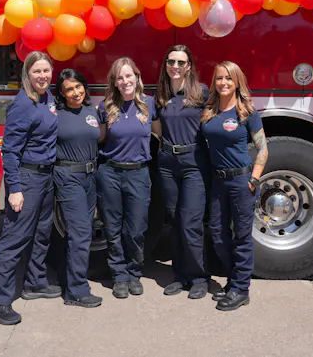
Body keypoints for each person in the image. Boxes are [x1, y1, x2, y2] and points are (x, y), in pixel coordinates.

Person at [0, 51, 60, 326]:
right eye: (37, 72)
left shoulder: (47, 97)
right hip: (27, 179)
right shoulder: (22, 105)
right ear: (27, 74)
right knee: (14, 239)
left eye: (46, 70)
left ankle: (35, 283)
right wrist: (14, 188)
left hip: (45, 178)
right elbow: (10, 150)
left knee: (41, 234)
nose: (42, 76)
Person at [201, 61, 269, 311]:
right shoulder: (209, 109)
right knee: (218, 234)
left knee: (241, 236)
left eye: (228, 79)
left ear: (237, 81)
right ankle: (234, 280)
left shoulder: (247, 111)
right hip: (218, 181)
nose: (223, 83)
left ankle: (241, 289)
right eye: (219, 78)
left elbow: (262, 147)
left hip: (241, 181)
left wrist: (254, 178)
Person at [97, 57, 160, 299]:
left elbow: (161, 135)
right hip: (110, 173)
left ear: (137, 77)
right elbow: (100, 138)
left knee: (136, 229)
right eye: (120, 77)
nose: (125, 81)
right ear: (114, 82)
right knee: (113, 229)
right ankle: (119, 276)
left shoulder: (149, 105)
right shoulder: (106, 108)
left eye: (128, 76)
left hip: (139, 174)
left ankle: (135, 273)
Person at [155, 45, 210, 299]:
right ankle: (180, 276)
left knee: (190, 222)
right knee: (175, 221)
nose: (175, 66)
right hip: (167, 162)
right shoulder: (161, 96)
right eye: (171, 61)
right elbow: (156, 128)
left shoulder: (201, 93)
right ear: (166, 65)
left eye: (180, 62)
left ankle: (199, 277)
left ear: (188, 66)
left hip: (193, 163)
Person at [52, 69, 104, 308]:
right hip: (68, 177)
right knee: (80, 233)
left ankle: (70, 280)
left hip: (90, 177)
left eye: (78, 87)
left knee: (82, 232)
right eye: (69, 89)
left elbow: (100, 137)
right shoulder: (56, 115)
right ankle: (76, 291)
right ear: (61, 94)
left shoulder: (92, 111)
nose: (76, 93)